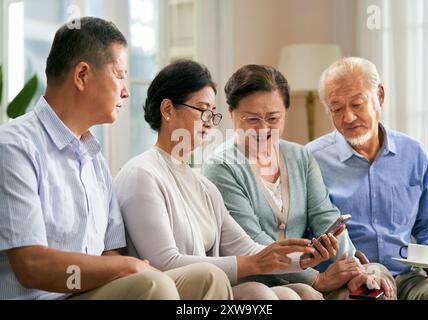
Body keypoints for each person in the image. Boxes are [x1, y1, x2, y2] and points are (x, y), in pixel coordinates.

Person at [0, 17, 232, 300]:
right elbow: (31, 266)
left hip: (88, 293)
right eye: (120, 74)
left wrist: (123, 265)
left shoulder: (94, 160)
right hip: (41, 297)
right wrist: (126, 267)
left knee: (208, 278)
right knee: (154, 286)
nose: (125, 90)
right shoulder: (14, 147)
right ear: (82, 75)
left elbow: (111, 252)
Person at [113, 60, 336, 300]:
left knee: (303, 294)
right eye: (202, 109)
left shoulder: (203, 186)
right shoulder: (142, 173)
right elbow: (165, 263)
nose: (209, 121)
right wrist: (250, 265)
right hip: (172, 292)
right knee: (261, 295)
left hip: (207, 287)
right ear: (167, 110)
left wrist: (301, 259)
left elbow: (244, 247)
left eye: (212, 112)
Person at [202, 64, 395, 300]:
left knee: (370, 287)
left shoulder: (299, 156)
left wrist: (353, 268)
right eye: (252, 119)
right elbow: (252, 240)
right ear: (231, 113)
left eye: (273, 118)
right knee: (306, 294)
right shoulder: (221, 166)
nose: (263, 129)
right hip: (253, 280)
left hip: (302, 276)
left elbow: (326, 216)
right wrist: (315, 278)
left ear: (285, 112)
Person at [306, 57, 428, 300]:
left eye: (357, 104)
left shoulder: (413, 153)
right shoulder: (311, 159)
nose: (348, 117)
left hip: (409, 275)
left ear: (380, 96)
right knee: (373, 289)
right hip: (351, 278)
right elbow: (302, 232)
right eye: (337, 108)